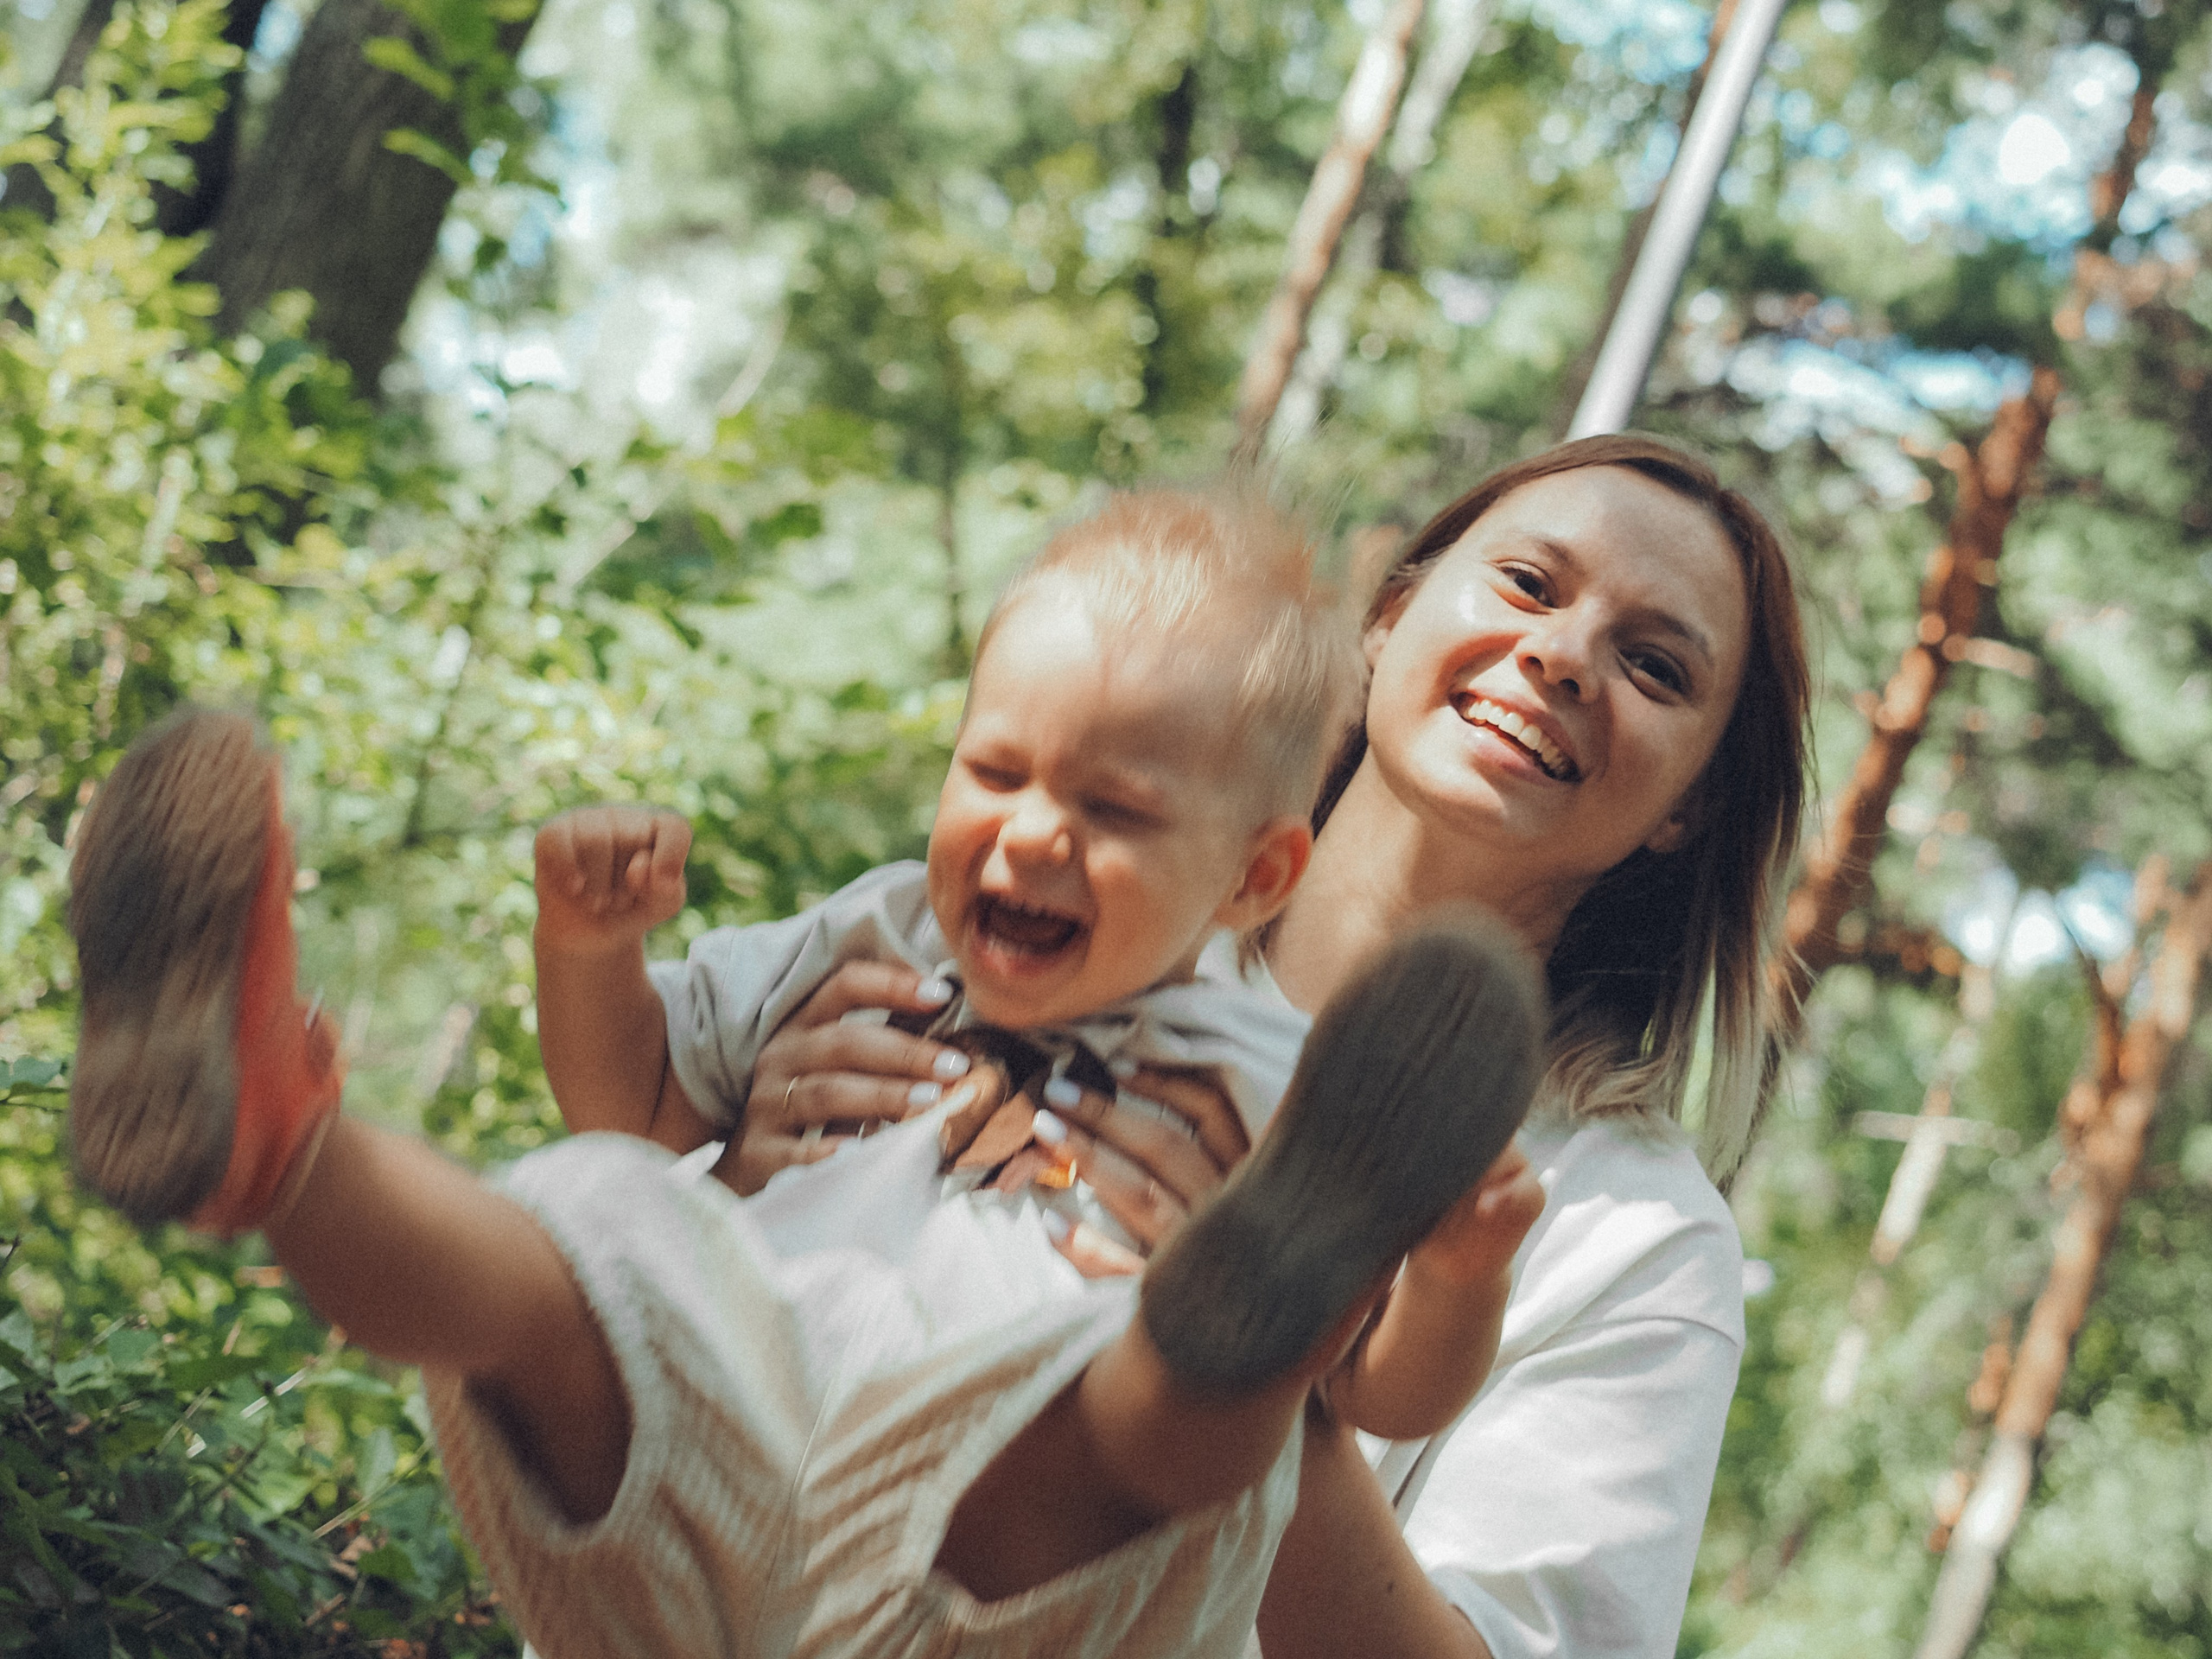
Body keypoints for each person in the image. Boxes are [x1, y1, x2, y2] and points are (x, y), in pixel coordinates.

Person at [65, 486, 1549, 1658]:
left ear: (1253, 876)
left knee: (1140, 1418)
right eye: (999, 769)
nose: (1031, 832)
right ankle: (267, 1138)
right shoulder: (873, 932)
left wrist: (1459, 1276)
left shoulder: (1266, 1078)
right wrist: (586, 950)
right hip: (721, 1469)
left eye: (1114, 808)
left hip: (1002, 1581)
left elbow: (1388, 1394)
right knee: (591, 1224)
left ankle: (1219, 1335)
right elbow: (629, 1101)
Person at [733, 433, 1812, 1659]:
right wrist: (741, 1166)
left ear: (1692, 807)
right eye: (1528, 584)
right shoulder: (1054, 912)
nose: (1564, 656)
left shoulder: (1631, 1235)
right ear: (1390, 613)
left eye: (1656, 666)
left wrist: (1258, 1357)